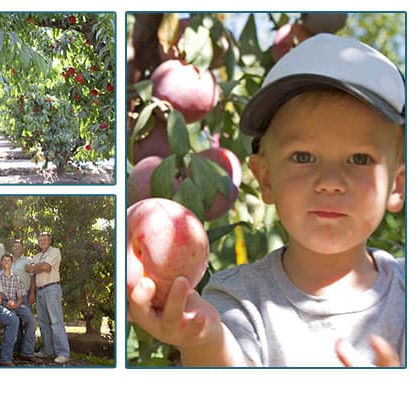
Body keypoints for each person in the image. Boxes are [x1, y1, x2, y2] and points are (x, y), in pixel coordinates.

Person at [127, 33, 406, 367]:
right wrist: (203, 340)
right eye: (303, 156)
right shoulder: (236, 298)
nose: (330, 182)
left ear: (397, 185)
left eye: (360, 159)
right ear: (265, 179)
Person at [27, 232, 70, 364]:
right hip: (39, 291)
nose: (42, 242)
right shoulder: (37, 255)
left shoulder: (55, 251)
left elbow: (46, 267)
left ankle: (63, 353)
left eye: (45, 239)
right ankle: (48, 350)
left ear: (49, 241)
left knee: (56, 321)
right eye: (40, 240)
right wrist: (32, 292)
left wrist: (35, 268)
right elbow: (31, 272)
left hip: (52, 289)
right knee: (43, 322)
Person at [11, 239, 37, 359]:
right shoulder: (7, 260)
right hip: (11, 296)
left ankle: (27, 351)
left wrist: (32, 293)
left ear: (22, 248)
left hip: (25, 294)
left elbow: (33, 278)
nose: (17, 248)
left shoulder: (27, 260)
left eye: (19, 246)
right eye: (15, 246)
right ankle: (17, 348)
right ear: (12, 248)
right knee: (16, 323)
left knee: (29, 322)